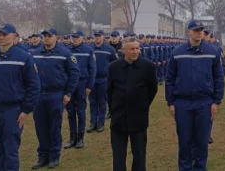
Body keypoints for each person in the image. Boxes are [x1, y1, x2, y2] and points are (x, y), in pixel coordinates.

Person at [0, 23, 40, 171]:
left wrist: (25, 110)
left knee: (10, 151)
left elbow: (33, 85)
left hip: (12, 110)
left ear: (14, 36)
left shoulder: (23, 57)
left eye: (5, 34)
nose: (1, 37)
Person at [166, 19, 225, 171]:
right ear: (188, 32)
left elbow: (218, 77)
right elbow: (170, 78)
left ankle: (199, 168)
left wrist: (216, 101)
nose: (199, 32)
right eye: (196, 30)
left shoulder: (212, 51)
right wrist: (170, 102)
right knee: (184, 141)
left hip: (204, 103)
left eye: (201, 30)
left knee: (202, 141)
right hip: (182, 103)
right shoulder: (178, 52)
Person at [32, 28, 80, 169]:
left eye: (49, 36)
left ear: (56, 37)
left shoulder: (65, 53)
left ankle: (54, 156)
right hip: (39, 96)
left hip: (56, 95)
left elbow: (74, 73)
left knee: (54, 127)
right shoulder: (35, 54)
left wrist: (68, 93)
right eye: (44, 36)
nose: (46, 38)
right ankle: (43, 156)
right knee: (40, 127)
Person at [108, 37, 158, 171]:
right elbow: (109, 91)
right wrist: (114, 109)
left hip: (138, 118)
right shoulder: (113, 67)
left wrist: (142, 105)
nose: (135, 52)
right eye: (132, 49)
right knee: (118, 156)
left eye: (137, 48)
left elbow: (153, 89)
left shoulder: (148, 67)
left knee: (139, 155)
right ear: (123, 50)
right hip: (118, 118)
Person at [65, 30, 96, 149]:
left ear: (82, 38)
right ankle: (72, 138)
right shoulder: (67, 50)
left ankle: (81, 138)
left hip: (82, 83)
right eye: (73, 37)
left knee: (81, 111)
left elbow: (92, 69)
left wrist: (89, 86)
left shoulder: (88, 50)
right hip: (70, 84)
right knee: (71, 111)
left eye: (77, 37)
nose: (74, 39)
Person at [87, 30, 117, 133]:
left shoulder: (110, 49)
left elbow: (114, 64)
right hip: (91, 79)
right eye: (95, 36)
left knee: (102, 101)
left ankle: (100, 123)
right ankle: (93, 122)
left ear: (103, 37)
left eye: (99, 36)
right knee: (92, 102)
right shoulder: (89, 48)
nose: (97, 38)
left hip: (104, 79)